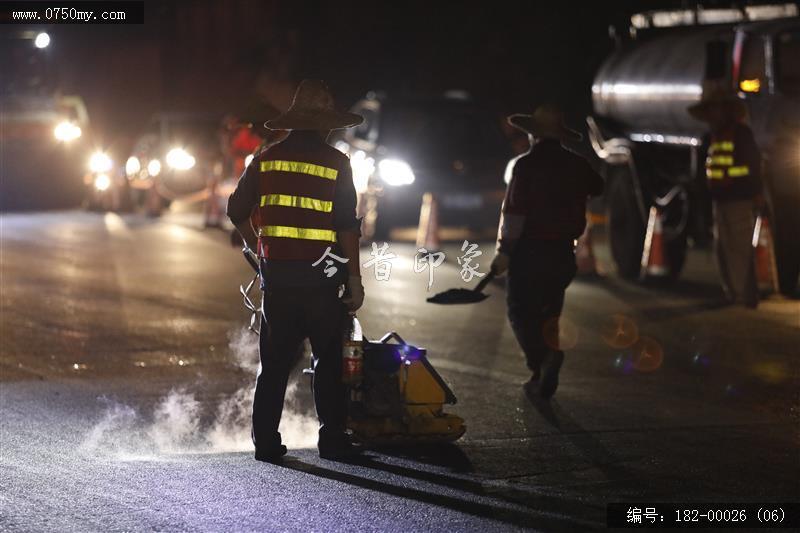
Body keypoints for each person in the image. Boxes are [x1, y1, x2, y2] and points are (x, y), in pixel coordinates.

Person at [227, 79, 365, 461]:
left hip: (279, 280)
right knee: (327, 360)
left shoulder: (265, 159)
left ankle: (266, 442)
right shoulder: (338, 164)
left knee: (273, 364)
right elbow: (346, 227)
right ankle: (333, 440)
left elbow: (236, 211)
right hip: (322, 281)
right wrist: (354, 279)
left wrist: (259, 245)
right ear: (326, 125)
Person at [490, 104, 603, 400]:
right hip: (563, 253)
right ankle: (541, 373)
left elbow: (514, 212)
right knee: (549, 314)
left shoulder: (525, 166)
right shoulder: (577, 164)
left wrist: (504, 251)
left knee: (520, 311)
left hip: (529, 252)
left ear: (532, 135)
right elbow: (598, 186)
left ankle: (542, 360)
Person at [688, 81, 763, 308]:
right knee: (723, 247)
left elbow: (752, 166)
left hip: (739, 200)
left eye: (717, 109)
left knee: (738, 248)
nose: (713, 114)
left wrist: (754, 193)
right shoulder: (711, 138)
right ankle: (731, 291)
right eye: (711, 109)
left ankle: (741, 294)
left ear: (727, 110)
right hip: (720, 200)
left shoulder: (741, 134)